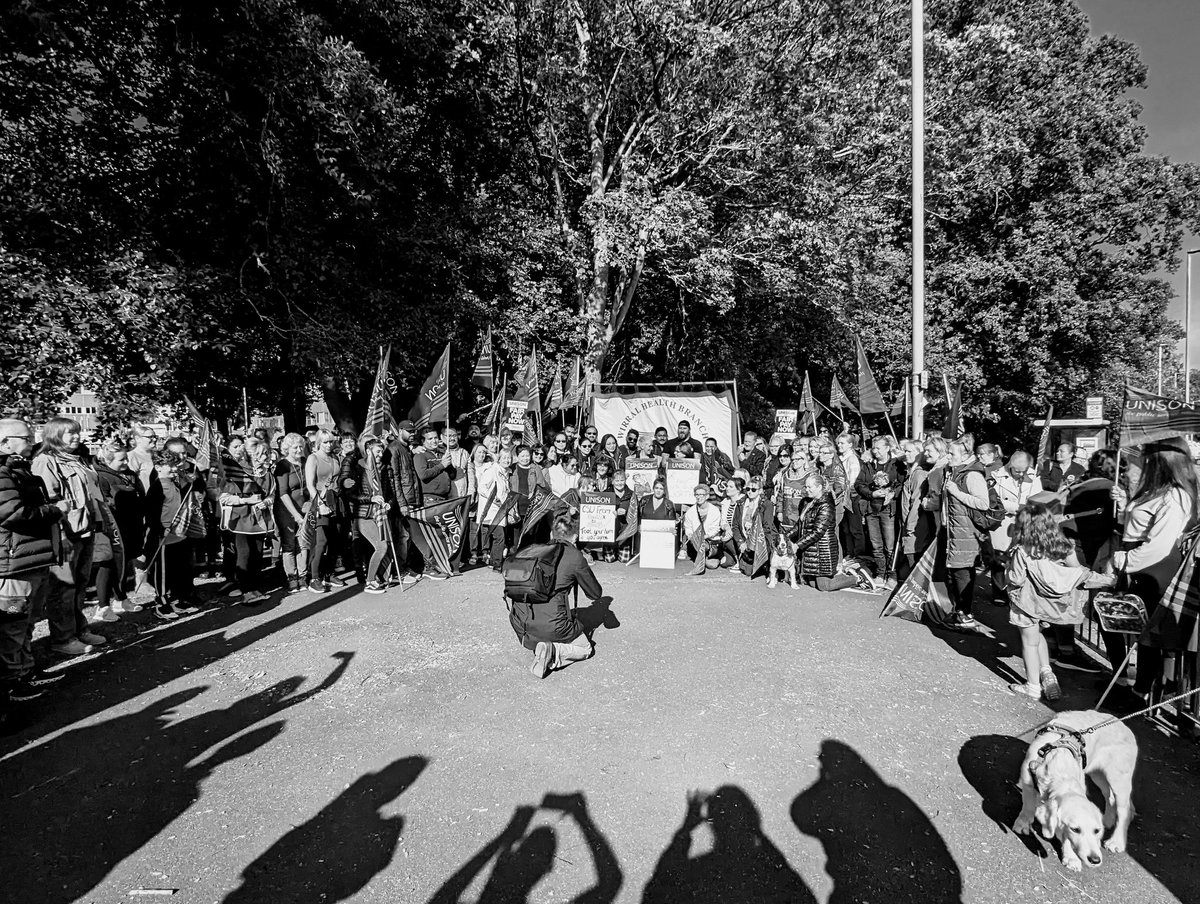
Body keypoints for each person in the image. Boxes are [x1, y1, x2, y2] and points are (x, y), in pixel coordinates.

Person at [1110, 436, 1197, 696]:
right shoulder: (1156, 489)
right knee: (1132, 629)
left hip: (1154, 568)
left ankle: (1142, 693)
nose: (1142, 461)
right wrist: (1126, 507)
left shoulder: (1176, 496)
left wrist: (1123, 561)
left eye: (1148, 457)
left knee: (1149, 637)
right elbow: (1139, 524)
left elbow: (1159, 544)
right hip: (1139, 565)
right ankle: (1133, 685)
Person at [1005, 502, 1111, 700]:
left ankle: (1033, 686)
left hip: (1027, 605)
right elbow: (1077, 571)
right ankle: (1047, 673)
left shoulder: (1023, 550)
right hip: (1051, 606)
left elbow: (1016, 579)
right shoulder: (1063, 547)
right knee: (1039, 637)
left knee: (1029, 642)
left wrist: (1007, 569)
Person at [0, 418, 69, 703]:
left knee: (26, 623)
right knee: (11, 627)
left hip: (31, 559)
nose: (33, 442)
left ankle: (25, 672)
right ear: (5, 442)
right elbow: (12, 513)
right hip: (14, 563)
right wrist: (54, 510)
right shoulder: (3, 473)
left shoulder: (17, 469)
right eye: (26, 438)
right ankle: (11, 684)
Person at [32, 418, 110, 654]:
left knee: (80, 585)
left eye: (77, 432)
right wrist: (61, 534)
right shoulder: (46, 462)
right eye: (69, 433)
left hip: (85, 529)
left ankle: (80, 630)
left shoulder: (77, 460)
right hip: (66, 532)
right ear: (55, 435)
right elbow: (49, 501)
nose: (76, 437)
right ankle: (63, 639)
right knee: (63, 589)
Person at [509, 510, 604, 679]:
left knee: (547, 623)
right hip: (554, 626)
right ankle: (554, 650)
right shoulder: (574, 556)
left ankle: (542, 649)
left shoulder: (533, 550)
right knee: (585, 649)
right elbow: (595, 594)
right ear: (575, 538)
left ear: (552, 533)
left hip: (522, 625)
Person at [942, 438, 991, 630]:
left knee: (962, 572)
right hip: (955, 531)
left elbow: (983, 503)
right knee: (956, 572)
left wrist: (956, 492)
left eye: (952, 453)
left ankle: (965, 615)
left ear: (965, 455)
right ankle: (959, 612)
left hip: (967, 532)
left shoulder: (971, 475)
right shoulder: (955, 472)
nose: (948, 457)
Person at [93, 439, 144, 615]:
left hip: (131, 525)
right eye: (121, 460)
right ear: (107, 460)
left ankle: (121, 599)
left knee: (124, 564)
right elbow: (104, 502)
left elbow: (140, 494)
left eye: (126, 459)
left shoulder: (129, 474)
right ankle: (103, 604)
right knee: (108, 565)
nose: (125, 463)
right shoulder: (101, 476)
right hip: (113, 527)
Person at [342, 435, 394, 593]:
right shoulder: (357, 469)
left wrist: (388, 504)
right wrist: (370, 498)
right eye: (377, 452)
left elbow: (390, 493)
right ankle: (370, 581)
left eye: (382, 451)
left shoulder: (384, 469)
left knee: (382, 547)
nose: (380, 454)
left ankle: (380, 577)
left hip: (379, 515)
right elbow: (350, 494)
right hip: (363, 516)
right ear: (368, 451)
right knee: (381, 546)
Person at [790, 473, 858, 591]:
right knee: (812, 584)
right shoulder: (807, 502)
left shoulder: (826, 505)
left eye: (809, 487)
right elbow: (799, 525)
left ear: (819, 487)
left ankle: (856, 578)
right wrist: (785, 536)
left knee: (824, 586)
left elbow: (818, 531)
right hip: (811, 549)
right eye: (806, 487)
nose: (806, 490)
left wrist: (797, 545)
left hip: (823, 549)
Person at [856, 436, 901, 587]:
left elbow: (902, 484)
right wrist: (871, 493)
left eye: (879, 448)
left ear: (887, 448)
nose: (875, 451)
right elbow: (859, 484)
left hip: (888, 509)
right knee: (876, 544)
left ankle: (892, 574)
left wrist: (892, 492)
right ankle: (880, 573)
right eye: (873, 448)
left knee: (890, 545)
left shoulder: (896, 464)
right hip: (871, 508)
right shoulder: (868, 465)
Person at [304, 429, 343, 593]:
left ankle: (329, 572)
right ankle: (313, 577)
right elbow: (310, 484)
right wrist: (320, 504)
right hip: (320, 501)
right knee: (321, 541)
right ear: (319, 442)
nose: (329, 445)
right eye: (325, 442)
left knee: (335, 539)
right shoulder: (313, 458)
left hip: (335, 500)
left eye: (331, 441)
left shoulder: (334, 457)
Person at [273, 433, 309, 593]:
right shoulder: (283, 465)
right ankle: (292, 578)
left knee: (304, 542)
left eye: (301, 446)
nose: (299, 449)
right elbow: (282, 492)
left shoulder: (305, 462)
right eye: (295, 447)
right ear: (287, 448)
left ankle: (302, 576)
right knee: (289, 544)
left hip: (304, 507)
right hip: (286, 509)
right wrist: (296, 514)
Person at [478, 448, 516, 571]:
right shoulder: (493, 471)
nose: (507, 460)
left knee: (498, 537)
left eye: (509, 458)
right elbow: (482, 487)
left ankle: (494, 562)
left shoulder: (505, 473)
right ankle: (497, 564)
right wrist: (494, 498)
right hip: (491, 510)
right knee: (499, 537)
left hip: (500, 511)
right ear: (498, 459)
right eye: (504, 458)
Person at [835, 432, 865, 559]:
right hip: (842, 496)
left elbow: (853, 480)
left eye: (842, 443)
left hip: (851, 497)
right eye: (838, 443)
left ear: (850, 445)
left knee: (855, 528)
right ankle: (849, 552)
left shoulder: (852, 459)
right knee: (846, 528)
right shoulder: (839, 458)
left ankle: (859, 554)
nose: (839, 445)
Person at [683, 484, 724, 574]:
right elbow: (688, 527)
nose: (699, 497)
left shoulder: (714, 510)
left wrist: (705, 536)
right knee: (710, 563)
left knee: (712, 565)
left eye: (702, 495)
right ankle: (701, 557)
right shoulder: (691, 511)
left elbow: (716, 529)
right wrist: (690, 534)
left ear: (707, 496)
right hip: (696, 540)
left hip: (710, 540)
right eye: (697, 495)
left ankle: (709, 556)